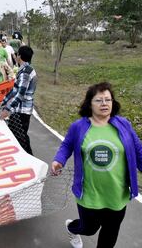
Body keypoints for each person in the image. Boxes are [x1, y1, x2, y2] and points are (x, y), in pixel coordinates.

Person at [51, 82, 142, 248]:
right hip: (89, 195)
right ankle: (72, 228)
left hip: (116, 195)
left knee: (110, 233)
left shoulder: (124, 125)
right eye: (99, 100)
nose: (104, 103)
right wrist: (59, 160)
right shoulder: (78, 127)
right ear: (89, 104)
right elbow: (66, 146)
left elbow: (138, 150)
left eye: (108, 99)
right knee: (89, 228)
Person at [0, 45, 36, 155]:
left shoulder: (25, 73)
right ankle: (24, 158)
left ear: (19, 56)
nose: (15, 56)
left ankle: (30, 159)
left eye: (17, 54)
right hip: (19, 110)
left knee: (21, 137)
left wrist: (7, 109)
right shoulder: (24, 70)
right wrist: (5, 100)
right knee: (17, 135)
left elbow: (20, 94)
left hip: (22, 110)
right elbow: (15, 89)